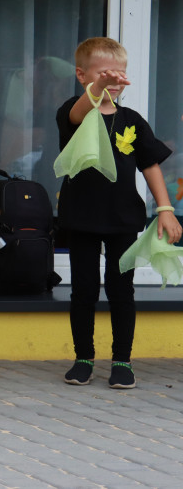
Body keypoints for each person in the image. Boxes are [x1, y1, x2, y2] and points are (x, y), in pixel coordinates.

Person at [56, 37, 181, 389]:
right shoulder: (73, 112)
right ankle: (83, 358)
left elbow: (151, 165)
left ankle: (122, 361)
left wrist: (166, 209)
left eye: (120, 73)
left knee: (121, 290)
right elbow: (81, 111)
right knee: (83, 290)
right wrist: (98, 88)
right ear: (82, 76)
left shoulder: (133, 120)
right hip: (81, 217)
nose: (114, 79)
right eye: (104, 74)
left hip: (123, 218)